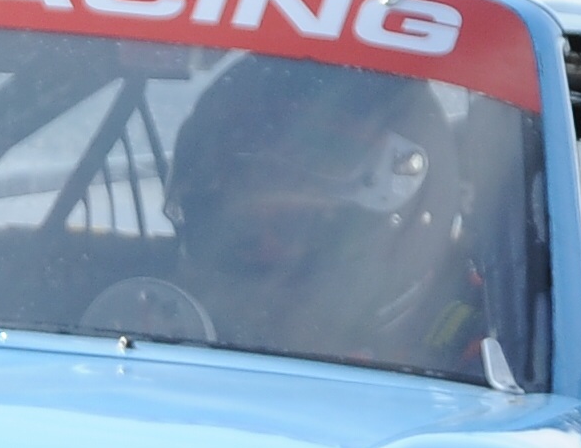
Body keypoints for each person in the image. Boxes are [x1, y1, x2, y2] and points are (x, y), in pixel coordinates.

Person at [160, 55, 494, 374]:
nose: (270, 185)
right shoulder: (157, 318)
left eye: (322, 156)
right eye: (246, 163)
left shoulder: (490, 355)